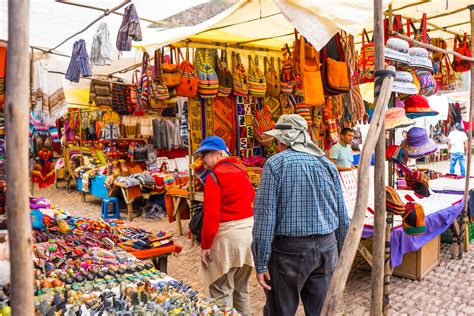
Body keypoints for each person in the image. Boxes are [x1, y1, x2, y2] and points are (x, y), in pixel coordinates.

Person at [252, 114, 350, 316]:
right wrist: (341, 253)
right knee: (319, 312)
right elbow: (342, 214)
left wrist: (261, 262)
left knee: (281, 311)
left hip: (289, 253)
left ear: (282, 140)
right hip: (326, 248)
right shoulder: (327, 165)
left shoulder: (275, 164)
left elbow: (265, 219)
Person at [195, 136, 255, 315]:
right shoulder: (241, 171)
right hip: (247, 237)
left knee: (221, 291)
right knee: (241, 290)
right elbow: (251, 199)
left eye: (206, 154)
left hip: (227, 240)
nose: (203, 158)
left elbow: (211, 216)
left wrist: (206, 246)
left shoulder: (215, 176)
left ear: (219, 153)